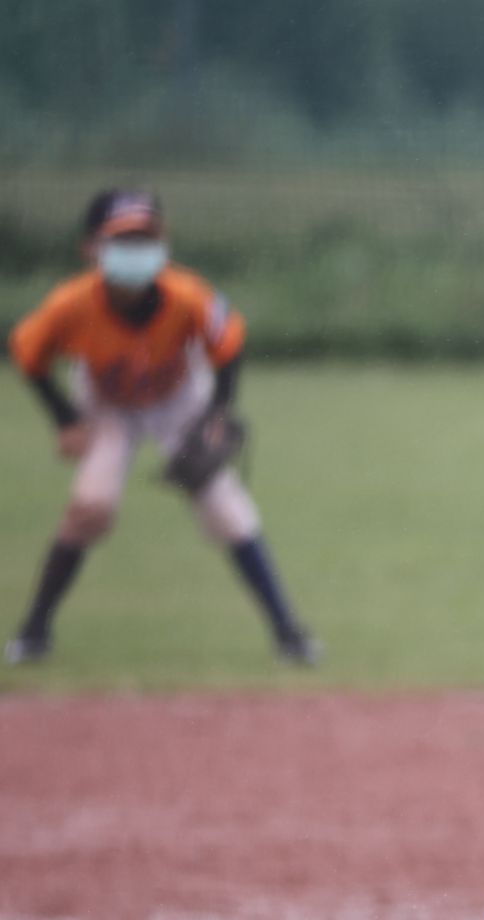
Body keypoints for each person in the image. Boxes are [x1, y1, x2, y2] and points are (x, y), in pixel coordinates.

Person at [7, 189, 317, 666]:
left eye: (145, 239)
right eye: (122, 240)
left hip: (179, 398)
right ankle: (34, 631)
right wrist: (65, 420)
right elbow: (27, 353)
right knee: (91, 507)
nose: (136, 250)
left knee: (226, 510)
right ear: (91, 248)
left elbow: (229, 344)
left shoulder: (187, 295)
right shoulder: (71, 304)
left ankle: (289, 633)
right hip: (107, 404)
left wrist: (217, 413)